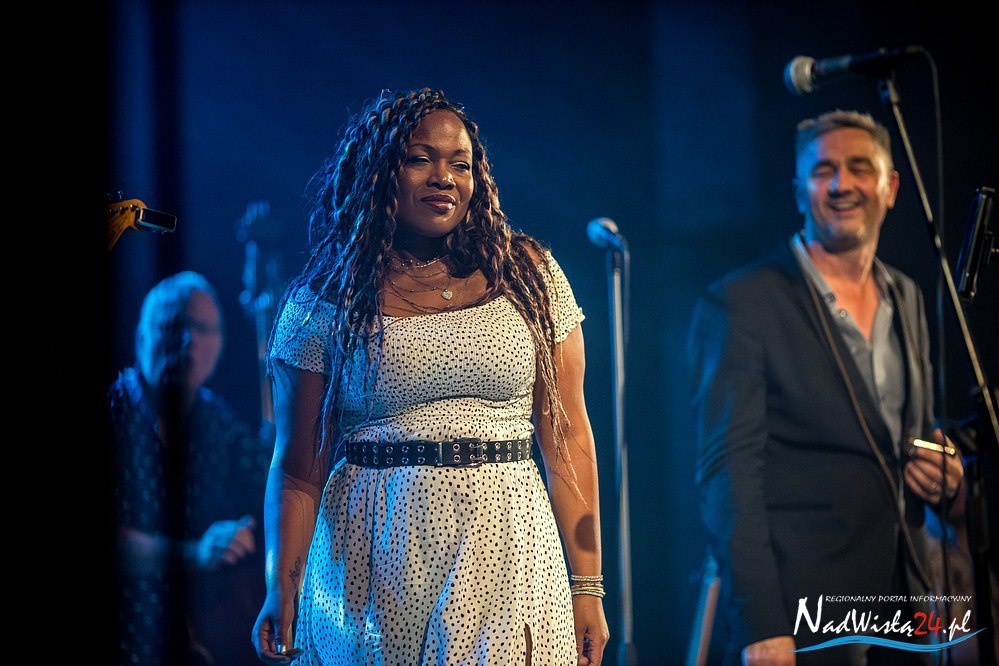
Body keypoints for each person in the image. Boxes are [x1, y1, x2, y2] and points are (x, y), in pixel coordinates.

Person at [251, 87, 609, 666]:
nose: (444, 178)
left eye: (460, 164)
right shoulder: (325, 300)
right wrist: (280, 587)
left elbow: (567, 437)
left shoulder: (528, 276)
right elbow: (296, 468)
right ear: (379, 173)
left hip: (510, 547)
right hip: (375, 557)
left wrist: (587, 588)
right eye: (420, 159)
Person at [688, 110, 966, 665]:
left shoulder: (907, 296)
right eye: (823, 171)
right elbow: (728, 477)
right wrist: (761, 625)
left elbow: (906, 438)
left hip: (903, 610)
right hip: (803, 617)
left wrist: (945, 474)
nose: (841, 184)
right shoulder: (743, 302)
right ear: (799, 191)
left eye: (860, 168)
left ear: (891, 188)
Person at [110, 270, 273, 665]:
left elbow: (270, 485)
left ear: (220, 345)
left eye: (202, 329)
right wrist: (196, 552)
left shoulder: (215, 418)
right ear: (141, 336)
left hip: (201, 627)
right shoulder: (115, 410)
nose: (188, 341)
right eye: (173, 325)